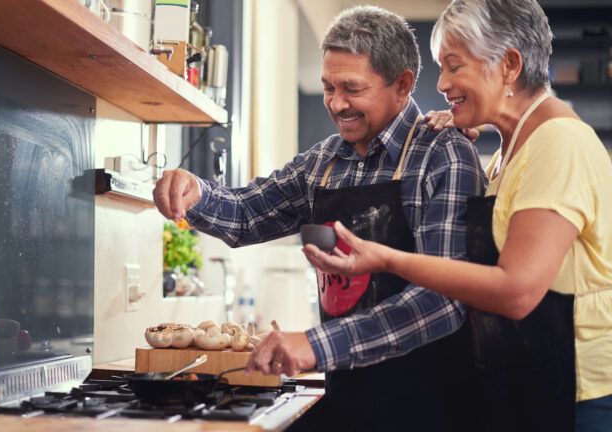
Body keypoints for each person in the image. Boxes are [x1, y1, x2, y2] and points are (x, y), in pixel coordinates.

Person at [303, 1, 612, 431]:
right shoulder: (508, 148)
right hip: (537, 378)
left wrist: (386, 258)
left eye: (453, 66)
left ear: (509, 65)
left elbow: (517, 290)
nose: (442, 83)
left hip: (590, 390)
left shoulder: (558, 143)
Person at [153, 6, 485, 431]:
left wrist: (315, 344)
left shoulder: (444, 155)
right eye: (328, 87)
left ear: (402, 84)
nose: (336, 103)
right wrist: (196, 191)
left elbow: (442, 299)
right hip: (347, 395)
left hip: (429, 404)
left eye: (351, 88)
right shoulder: (325, 162)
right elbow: (246, 213)